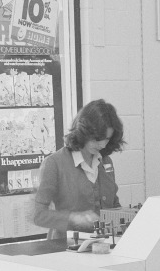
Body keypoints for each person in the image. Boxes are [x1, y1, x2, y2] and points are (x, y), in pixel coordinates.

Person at [34, 99, 124, 246]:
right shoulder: (54, 163)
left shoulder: (106, 162)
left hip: (101, 248)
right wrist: (73, 218)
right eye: (97, 139)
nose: (102, 144)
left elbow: (113, 205)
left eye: (107, 139)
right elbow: (38, 215)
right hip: (64, 249)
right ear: (83, 132)